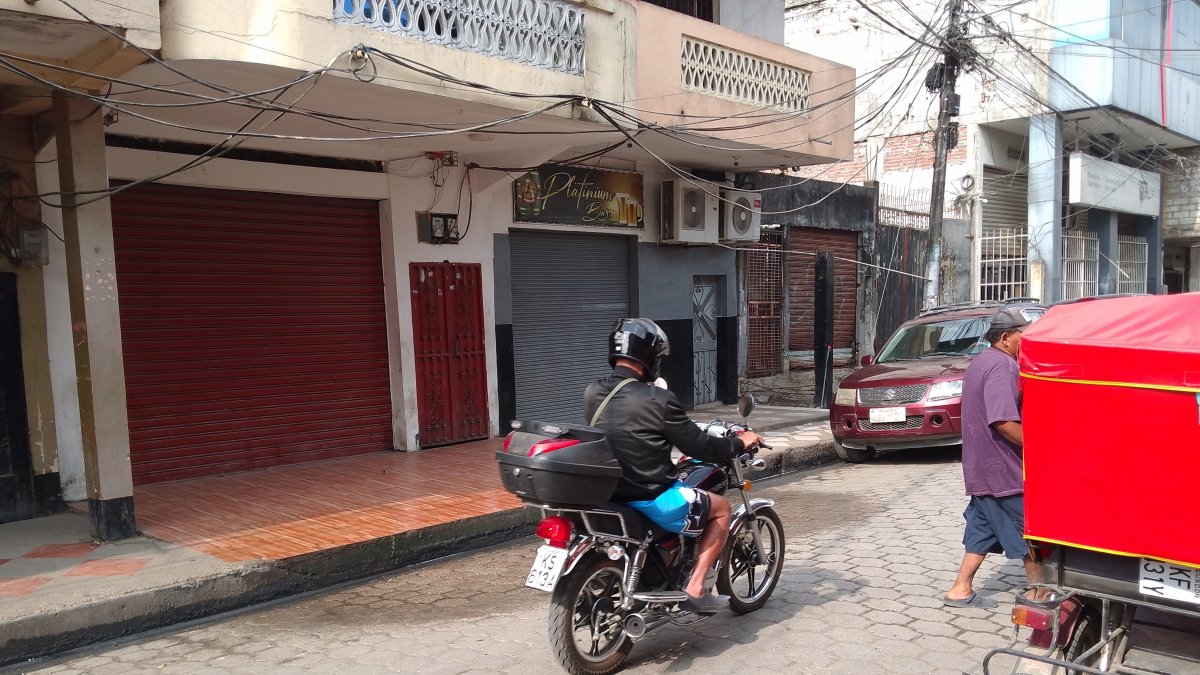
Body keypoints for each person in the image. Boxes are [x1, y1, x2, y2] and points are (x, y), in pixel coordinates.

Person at [584, 318, 764, 615]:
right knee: (721, 509)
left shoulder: (593, 392)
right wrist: (740, 443)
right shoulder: (659, 399)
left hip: (608, 493)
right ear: (649, 358)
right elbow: (701, 447)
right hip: (649, 495)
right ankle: (695, 588)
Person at [944, 306, 1042, 608]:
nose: (1027, 344)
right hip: (1004, 469)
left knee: (982, 527)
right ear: (1005, 337)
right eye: (1023, 338)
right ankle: (1038, 594)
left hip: (981, 467)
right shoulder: (1004, 366)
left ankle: (960, 588)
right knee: (1030, 533)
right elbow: (1002, 420)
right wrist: (1040, 447)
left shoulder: (981, 362)